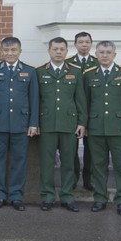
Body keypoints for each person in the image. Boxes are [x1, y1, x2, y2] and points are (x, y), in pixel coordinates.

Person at [84, 40, 121, 216]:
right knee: (98, 166)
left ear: (114, 54)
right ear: (96, 54)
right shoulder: (89, 74)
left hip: (119, 128)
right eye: (101, 52)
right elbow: (85, 102)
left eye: (108, 52)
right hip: (96, 128)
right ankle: (100, 198)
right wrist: (84, 125)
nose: (104, 55)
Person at [0, 37, 38, 211]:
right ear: (1, 52)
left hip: (21, 124)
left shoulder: (30, 71)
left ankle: (16, 195)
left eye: (13, 50)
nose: (10, 53)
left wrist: (33, 123)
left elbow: (34, 100)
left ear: (19, 51)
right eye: (6, 50)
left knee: (19, 160)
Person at [36, 37, 87, 213]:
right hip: (47, 123)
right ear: (49, 51)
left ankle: (67, 196)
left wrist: (82, 122)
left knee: (69, 163)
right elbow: (37, 100)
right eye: (55, 49)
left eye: (62, 49)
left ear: (67, 51)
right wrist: (35, 123)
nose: (58, 52)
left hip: (69, 124)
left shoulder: (76, 72)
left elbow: (80, 99)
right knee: (47, 163)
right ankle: (47, 196)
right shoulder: (40, 71)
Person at [67, 31, 97, 191]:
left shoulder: (98, 62)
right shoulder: (68, 63)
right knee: (71, 148)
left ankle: (89, 179)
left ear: (91, 44)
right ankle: (72, 178)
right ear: (75, 44)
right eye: (81, 42)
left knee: (91, 148)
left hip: (93, 113)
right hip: (73, 111)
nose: (84, 44)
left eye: (87, 42)